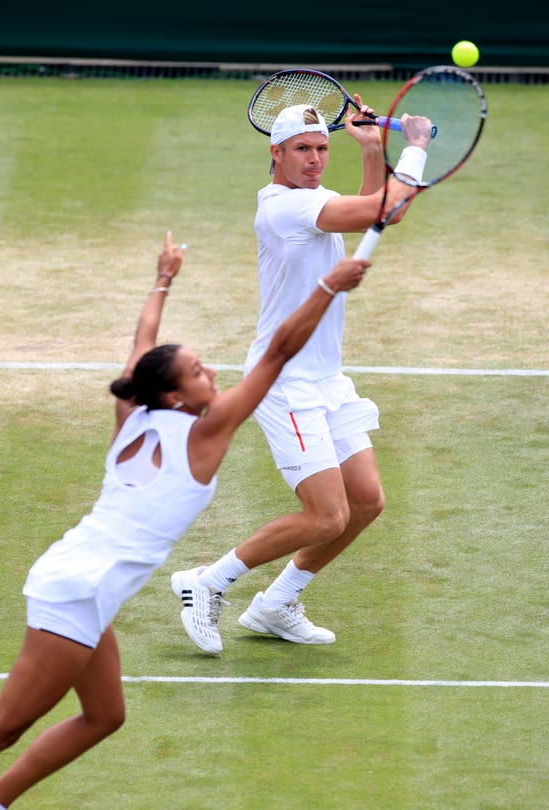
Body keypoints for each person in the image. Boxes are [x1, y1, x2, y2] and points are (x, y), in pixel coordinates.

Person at [0, 232, 369, 809]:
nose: (211, 373)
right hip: (79, 589)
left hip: (81, 580)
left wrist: (163, 278)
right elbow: (277, 353)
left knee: (104, 716)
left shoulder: (134, 413)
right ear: (174, 397)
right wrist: (329, 285)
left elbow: (142, 344)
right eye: (198, 371)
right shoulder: (203, 436)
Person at [171, 99, 432, 654]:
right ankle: (206, 582)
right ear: (276, 153)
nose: (314, 159)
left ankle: (276, 603)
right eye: (302, 150)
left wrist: (369, 149)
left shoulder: (310, 199)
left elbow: (366, 206)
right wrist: (415, 146)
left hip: (326, 380)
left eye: (321, 149)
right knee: (326, 515)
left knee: (365, 502)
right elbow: (389, 210)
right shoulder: (283, 210)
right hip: (284, 383)